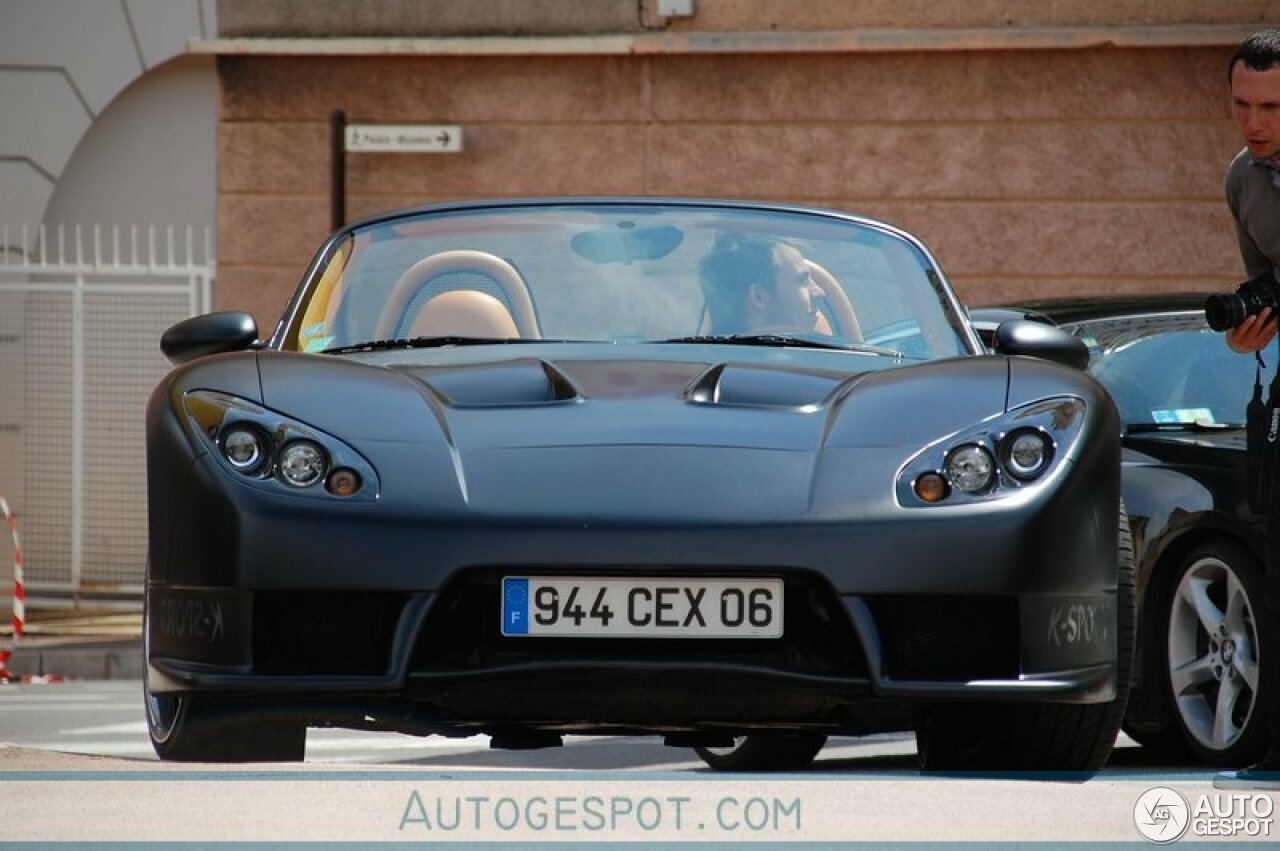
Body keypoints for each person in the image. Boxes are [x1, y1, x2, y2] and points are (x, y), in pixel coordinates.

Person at [1220, 27, 1280, 788]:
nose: (1255, 121)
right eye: (1240, 104)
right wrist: (1245, 334)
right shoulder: (1242, 179)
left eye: (1271, 106)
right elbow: (1262, 288)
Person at [699, 232, 825, 335]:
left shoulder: (696, 359)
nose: (820, 292)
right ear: (758, 296)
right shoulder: (819, 362)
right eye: (802, 280)